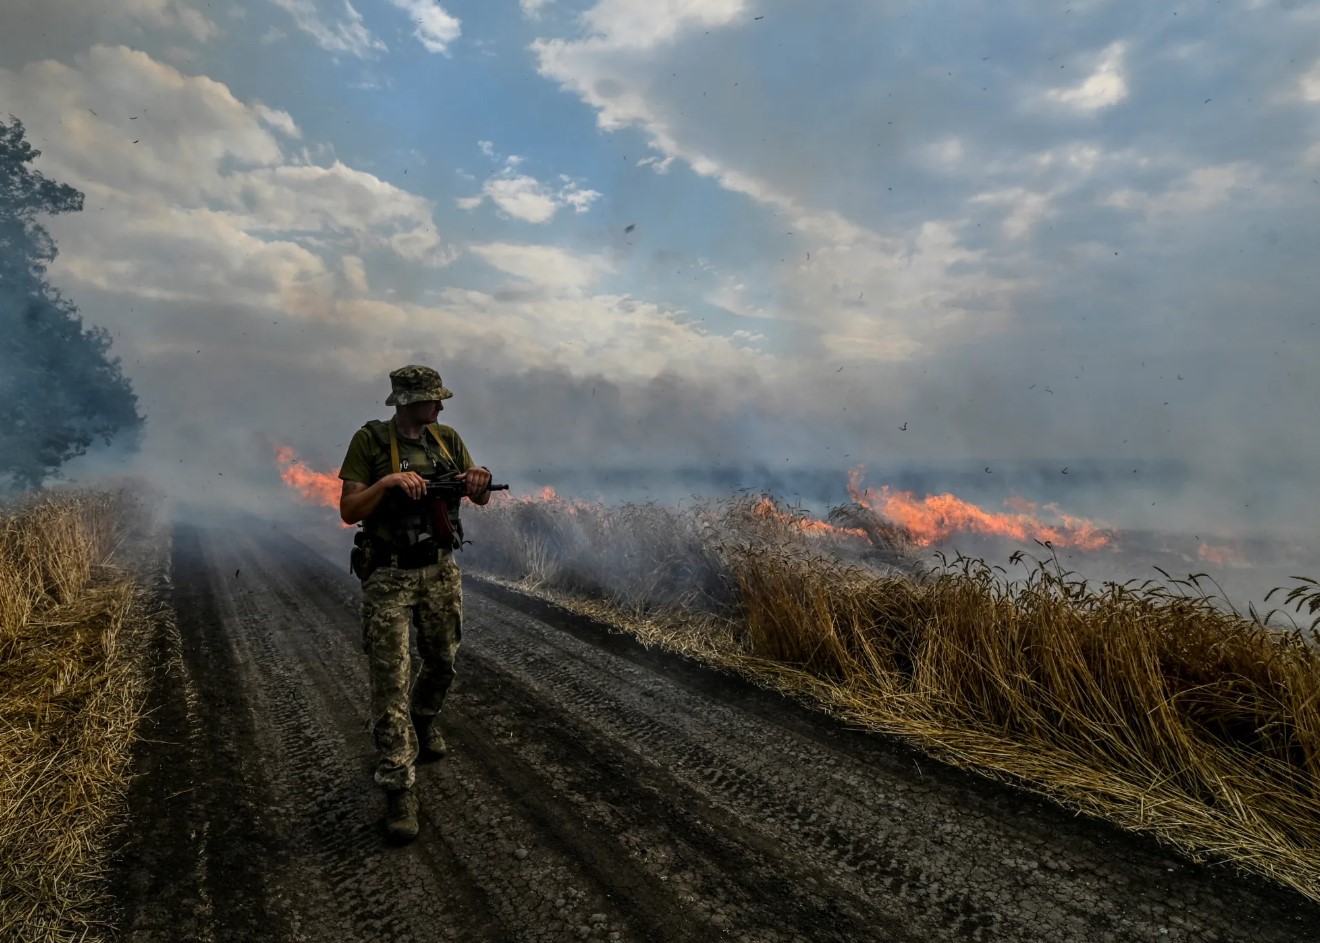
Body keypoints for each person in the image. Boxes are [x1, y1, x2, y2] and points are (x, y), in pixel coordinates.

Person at [337, 364, 492, 844]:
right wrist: (387, 484)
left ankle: (424, 719)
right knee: (390, 683)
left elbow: (480, 497)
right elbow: (349, 510)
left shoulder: (446, 439)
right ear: (407, 402)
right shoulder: (369, 442)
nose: (440, 407)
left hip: (440, 570)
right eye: (432, 400)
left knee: (444, 662)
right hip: (388, 574)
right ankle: (399, 787)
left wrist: (478, 481)